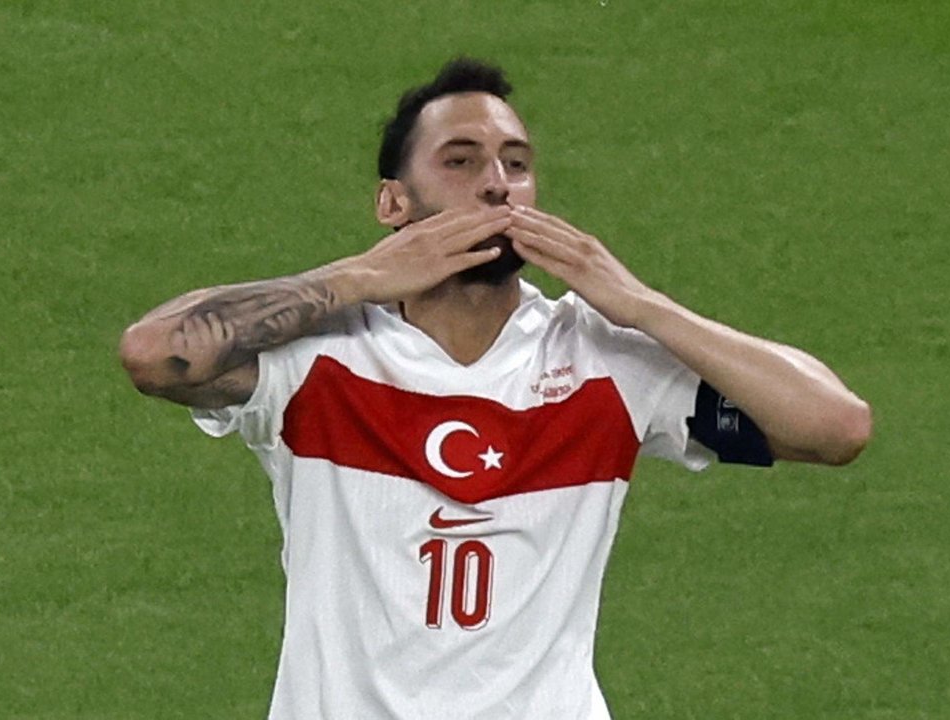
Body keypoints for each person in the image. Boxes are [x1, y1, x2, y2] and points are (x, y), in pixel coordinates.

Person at [119, 57, 871, 720]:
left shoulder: (603, 361)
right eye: (461, 161)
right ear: (394, 203)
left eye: (516, 164)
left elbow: (837, 427)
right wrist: (360, 278)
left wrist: (641, 304)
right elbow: (154, 354)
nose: (496, 185)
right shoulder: (319, 363)